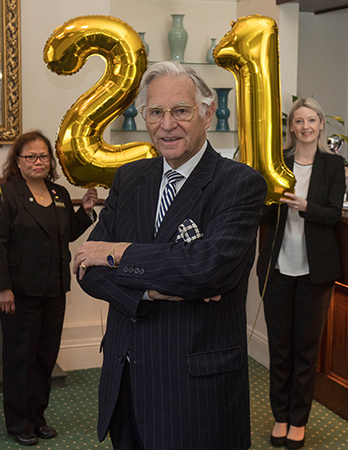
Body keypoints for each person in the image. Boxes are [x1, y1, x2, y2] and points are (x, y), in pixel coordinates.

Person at [72, 61, 267, 450]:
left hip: (195, 394)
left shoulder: (239, 183)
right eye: (155, 112)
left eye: (180, 110)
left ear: (208, 114)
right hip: (124, 381)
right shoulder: (130, 178)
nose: (166, 124)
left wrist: (116, 252)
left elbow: (206, 270)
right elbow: (86, 269)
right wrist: (153, 291)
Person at [0, 130, 97, 446]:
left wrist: (85, 211)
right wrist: (2, 288)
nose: (38, 161)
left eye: (43, 156)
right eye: (30, 156)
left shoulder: (59, 193)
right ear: (17, 161)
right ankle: (19, 423)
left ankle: (37, 418)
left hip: (54, 290)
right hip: (19, 293)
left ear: (51, 161)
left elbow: (67, 235)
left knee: (45, 357)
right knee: (21, 358)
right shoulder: (7, 195)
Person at [256, 98, 346, 449]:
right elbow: (264, 218)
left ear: (321, 124)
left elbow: (333, 214)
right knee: (280, 349)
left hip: (315, 272)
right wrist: (260, 199)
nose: (305, 126)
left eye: (311, 120)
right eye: (298, 121)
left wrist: (306, 206)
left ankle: (298, 422)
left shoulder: (334, 165)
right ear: (290, 127)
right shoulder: (278, 165)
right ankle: (280, 417)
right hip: (277, 270)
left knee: (305, 351)